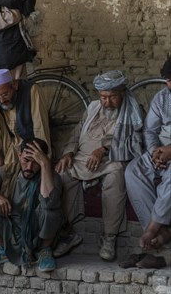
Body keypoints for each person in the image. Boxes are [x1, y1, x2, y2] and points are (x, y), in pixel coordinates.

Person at [55, 69, 143, 262]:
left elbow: (132, 143)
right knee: (61, 174)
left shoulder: (132, 111)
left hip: (112, 158)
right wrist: (68, 152)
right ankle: (68, 232)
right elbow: (76, 133)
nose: (107, 102)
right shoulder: (93, 107)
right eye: (103, 97)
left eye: (112, 97)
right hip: (81, 159)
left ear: (122, 93)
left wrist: (103, 149)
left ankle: (108, 237)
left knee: (116, 174)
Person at [0, 139, 63, 272]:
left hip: (36, 231)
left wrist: (45, 164)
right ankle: (1, 248)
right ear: (19, 156)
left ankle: (44, 251)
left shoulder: (51, 177)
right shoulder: (8, 171)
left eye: (36, 162)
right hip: (9, 227)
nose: (29, 167)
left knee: (51, 206)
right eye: (26, 160)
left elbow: (49, 202)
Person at [124, 58, 171, 267]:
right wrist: (155, 153)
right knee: (133, 171)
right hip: (160, 152)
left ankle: (152, 232)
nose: (170, 85)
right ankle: (161, 234)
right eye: (168, 80)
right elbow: (150, 131)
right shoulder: (162, 98)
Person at [0, 68, 51, 176]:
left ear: (14, 85)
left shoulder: (32, 91)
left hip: (23, 145)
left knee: (9, 176)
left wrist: (43, 161)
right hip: (1, 148)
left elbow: (41, 129)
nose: (1, 100)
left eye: (5, 94)